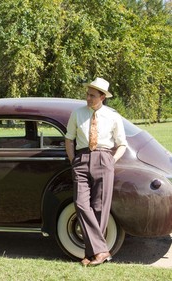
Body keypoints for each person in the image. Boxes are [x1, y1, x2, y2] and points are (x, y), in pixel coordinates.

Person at [65, 77, 127, 267]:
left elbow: (122, 144)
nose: (88, 98)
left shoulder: (113, 116)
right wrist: (74, 160)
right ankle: (102, 251)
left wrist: (111, 161)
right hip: (81, 159)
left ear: (102, 97)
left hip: (104, 158)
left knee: (100, 208)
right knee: (81, 204)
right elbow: (69, 139)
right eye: (87, 94)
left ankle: (91, 254)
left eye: (92, 95)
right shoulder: (77, 114)